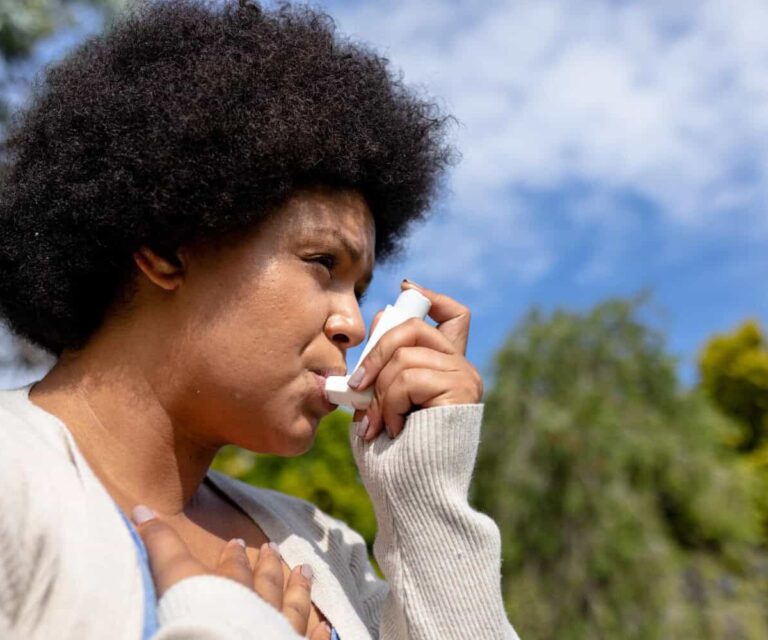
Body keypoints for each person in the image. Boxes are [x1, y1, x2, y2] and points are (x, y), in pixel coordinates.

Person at [0, 0, 520, 638]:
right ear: (167, 246)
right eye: (322, 262)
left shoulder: (320, 545)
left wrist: (425, 500)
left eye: (359, 290)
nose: (354, 325)